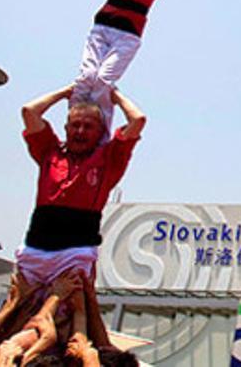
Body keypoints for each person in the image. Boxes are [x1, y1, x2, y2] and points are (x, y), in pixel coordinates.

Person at [14, 85, 146, 289]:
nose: (80, 131)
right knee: (19, 305)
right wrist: (66, 92)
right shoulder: (49, 151)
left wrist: (114, 95)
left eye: (88, 126)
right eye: (75, 125)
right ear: (66, 128)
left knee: (69, 309)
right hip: (36, 246)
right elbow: (29, 111)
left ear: (101, 132)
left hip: (76, 251)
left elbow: (138, 120)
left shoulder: (109, 159)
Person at [72, 0, 181, 130]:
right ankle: (74, 125)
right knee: (86, 77)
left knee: (103, 81)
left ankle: (100, 134)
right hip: (101, 30)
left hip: (127, 36)